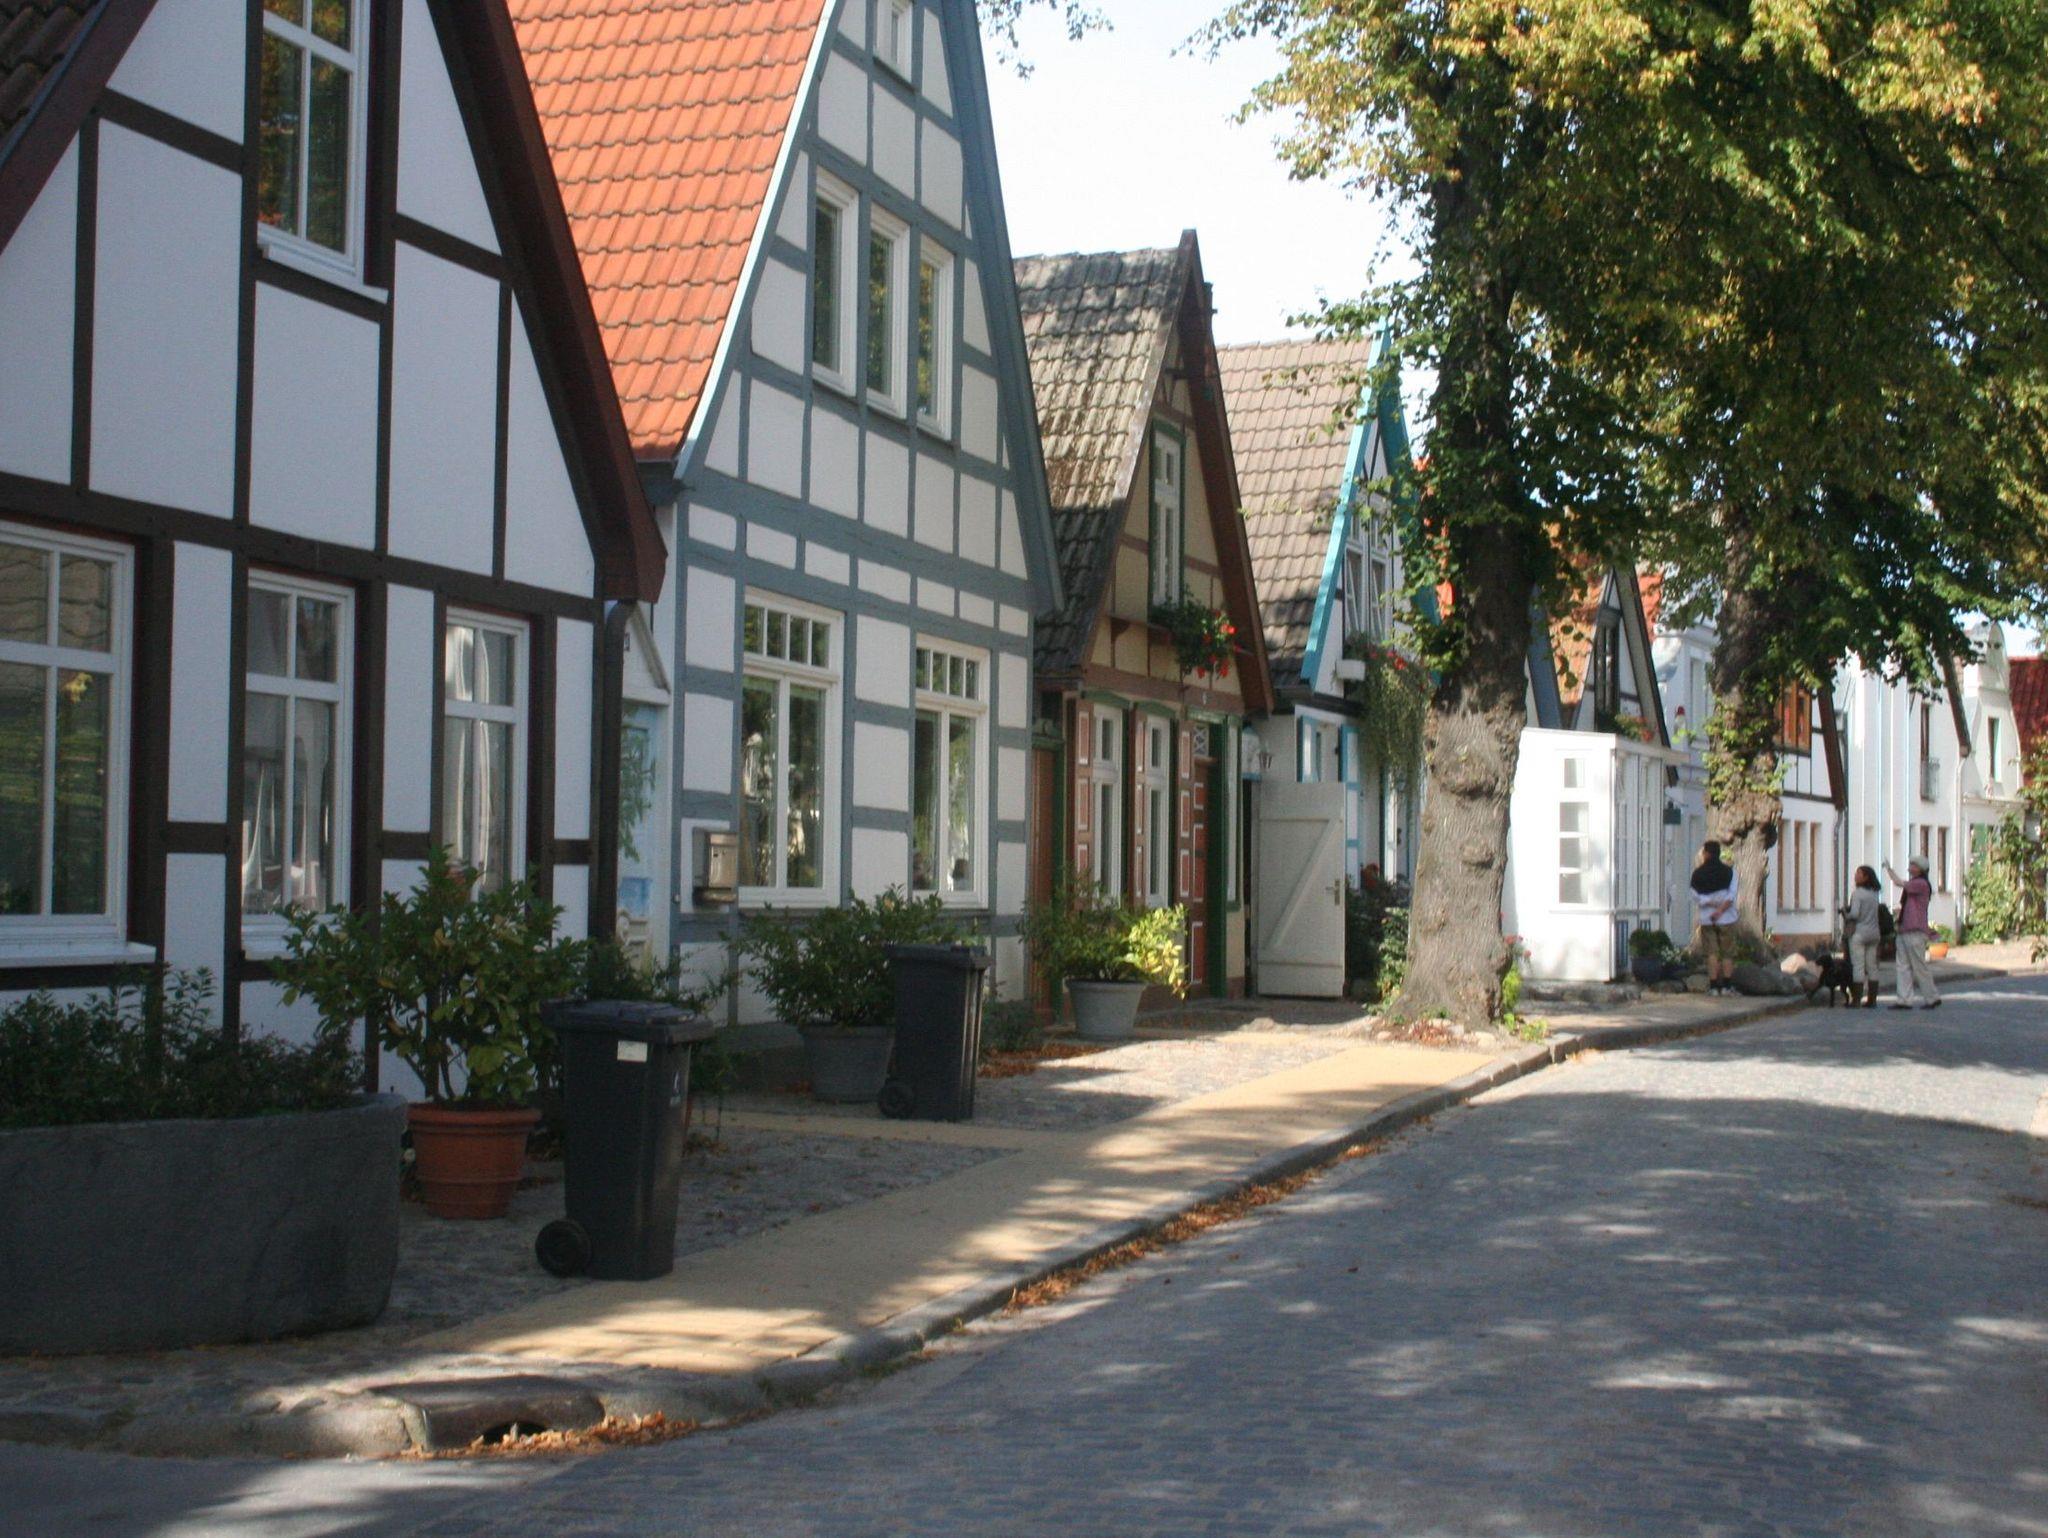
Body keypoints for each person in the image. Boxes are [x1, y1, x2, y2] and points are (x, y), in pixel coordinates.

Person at [1882, 855, 1942, 1009]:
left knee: (1918, 966)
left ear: (1920, 869)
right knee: (1903, 966)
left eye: (1913, 864)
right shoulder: (1917, 883)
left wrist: (1889, 869)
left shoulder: (1920, 884)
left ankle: (1931, 997)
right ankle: (1904, 999)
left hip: (1915, 930)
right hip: (1905, 929)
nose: (1910, 866)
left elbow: (1899, 883)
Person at [1691, 840, 1740, 995]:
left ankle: (1713, 987)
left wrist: (1709, 903)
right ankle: (1726, 986)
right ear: (1719, 854)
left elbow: (1695, 896)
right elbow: (1731, 896)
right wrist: (1720, 910)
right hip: (1727, 917)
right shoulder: (1730, 872)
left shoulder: (1697, 874)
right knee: (1727, 952)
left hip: (1707, 918)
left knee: (1711, 952)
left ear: (1706, 854)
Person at [1842, 866, 1884, 1009]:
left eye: (1859, 873)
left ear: (1866, 877)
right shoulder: (1874, 894)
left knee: (1858, 966)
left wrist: (1845, 914)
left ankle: (1856, 1000)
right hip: (1874, 933)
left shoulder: (1857, 894)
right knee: (1872, 966)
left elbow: (1855, 914)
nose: (1855, 875)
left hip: (1859, 933)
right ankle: (1872, 999)